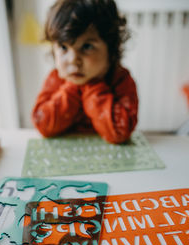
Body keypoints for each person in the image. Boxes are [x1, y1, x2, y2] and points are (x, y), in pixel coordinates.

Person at [32, 0, 138, 144]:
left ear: (111, 50)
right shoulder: (55, 78)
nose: (73, 60)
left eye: (87, 46)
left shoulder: (120, 79)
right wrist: (72, 88)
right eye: (63, 47)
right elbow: (42, 125)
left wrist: (92, 87)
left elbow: (120, 133)